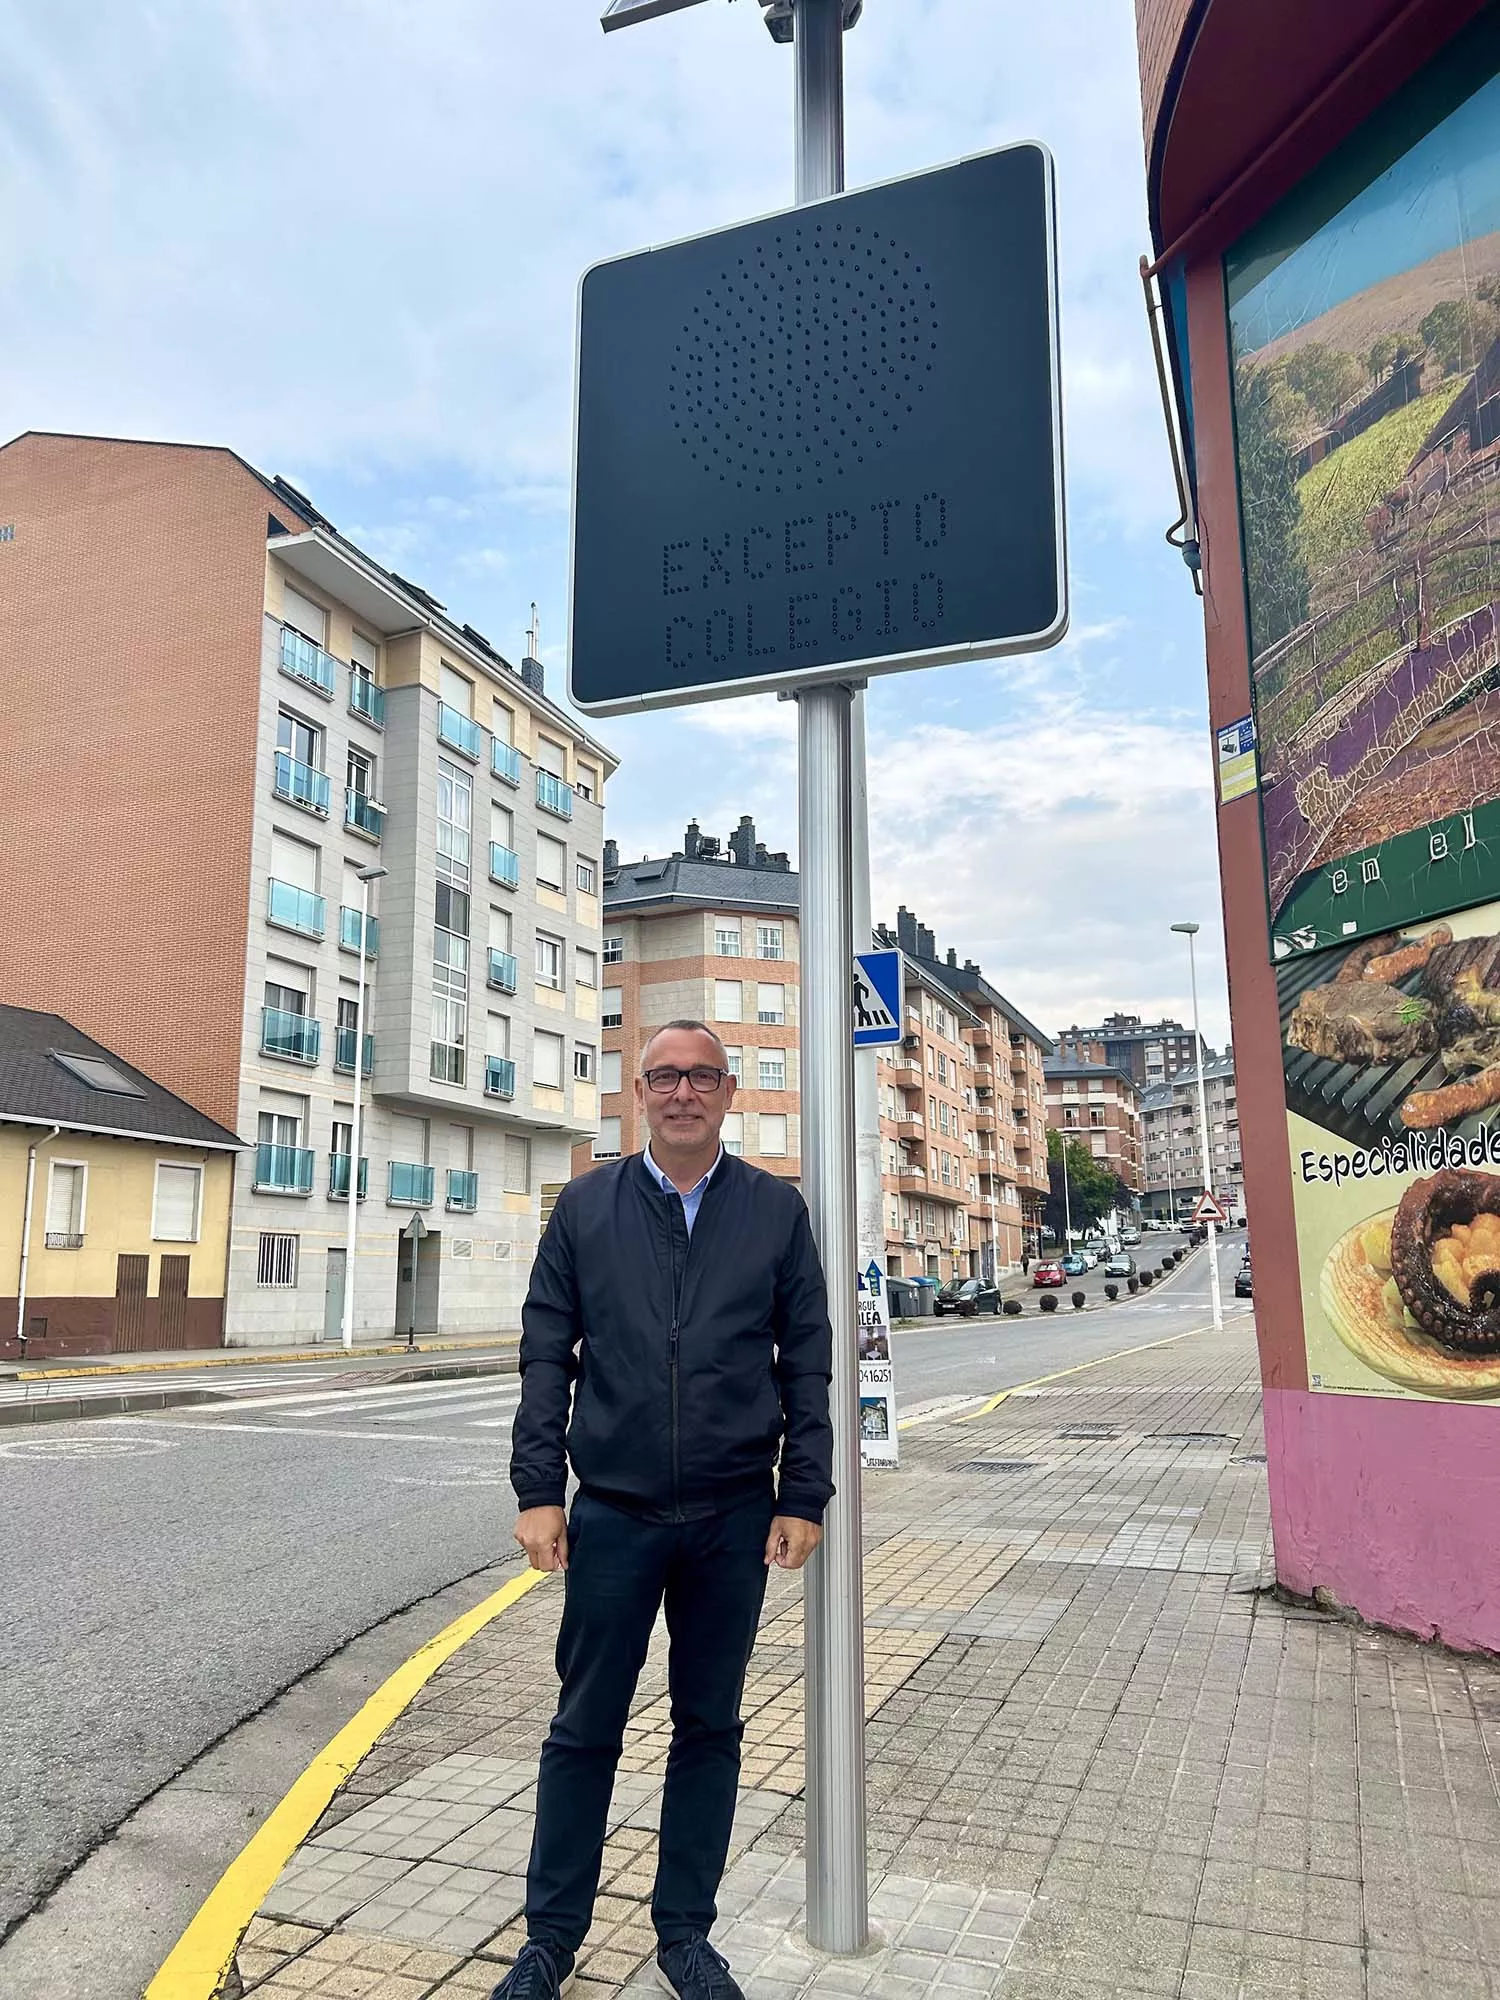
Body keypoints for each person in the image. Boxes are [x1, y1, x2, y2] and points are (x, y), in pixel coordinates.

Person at [493, 1020, 834, 2000]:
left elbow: (809, 1359)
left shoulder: (773, 1209)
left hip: (732, 1515)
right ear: (638, 1092)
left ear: (729, 1092)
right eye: (666, 1076)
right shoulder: (586, 1206)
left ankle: (686, 1933)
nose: (684, 1091)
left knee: (709, 1727)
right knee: (583, 1726)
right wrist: (537, 1490)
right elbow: (545, 1352)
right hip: (614, 1515)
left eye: (703, 1076)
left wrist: (802, 1491)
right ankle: (550, 1940)